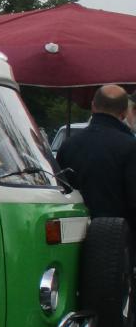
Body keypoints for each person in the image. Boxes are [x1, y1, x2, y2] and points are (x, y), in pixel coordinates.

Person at [57, 84, 136, 231]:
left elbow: (60, 191)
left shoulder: (68, 146)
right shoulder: (130, 147)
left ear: (93, 106)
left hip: (73, 233)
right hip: (117, 236)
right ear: (125, 112)